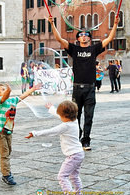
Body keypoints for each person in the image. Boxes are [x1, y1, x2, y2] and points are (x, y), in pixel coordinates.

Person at [48, 16, 119, 150]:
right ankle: (77, 137)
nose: (84, 36)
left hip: (90, 88)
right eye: (81, 35)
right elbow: (59, 39)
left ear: (89, 38)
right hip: (77, 88)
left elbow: (109, 39)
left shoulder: (94, 49)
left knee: (89, 116)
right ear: (78, 38)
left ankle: (86, 141)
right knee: (75, 115)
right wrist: (52, 24)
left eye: (86, 35)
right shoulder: (74, 49)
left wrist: (115, 24)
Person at [25, 100, 85, 195]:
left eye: (60, 115)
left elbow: (51, 131)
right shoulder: (74, 120)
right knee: (74, 176)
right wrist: (52, 109)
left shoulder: (65, 126)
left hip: (73, 156)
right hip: (79, 153)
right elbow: (61, 116)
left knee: (62, 176)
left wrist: (34, 133)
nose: (60, 117)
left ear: (64, 116)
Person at [0, 83, 41, 185]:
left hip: (8, 132)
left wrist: (33, 89)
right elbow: (5, 97)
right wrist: (8, 90)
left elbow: (23, 96)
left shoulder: (13, 101)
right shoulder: (1, 102)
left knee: (8, 152)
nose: (6, 90)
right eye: (3, 89)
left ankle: (6, 170)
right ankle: (6, 175)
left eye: (5, 89)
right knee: (5, 154)